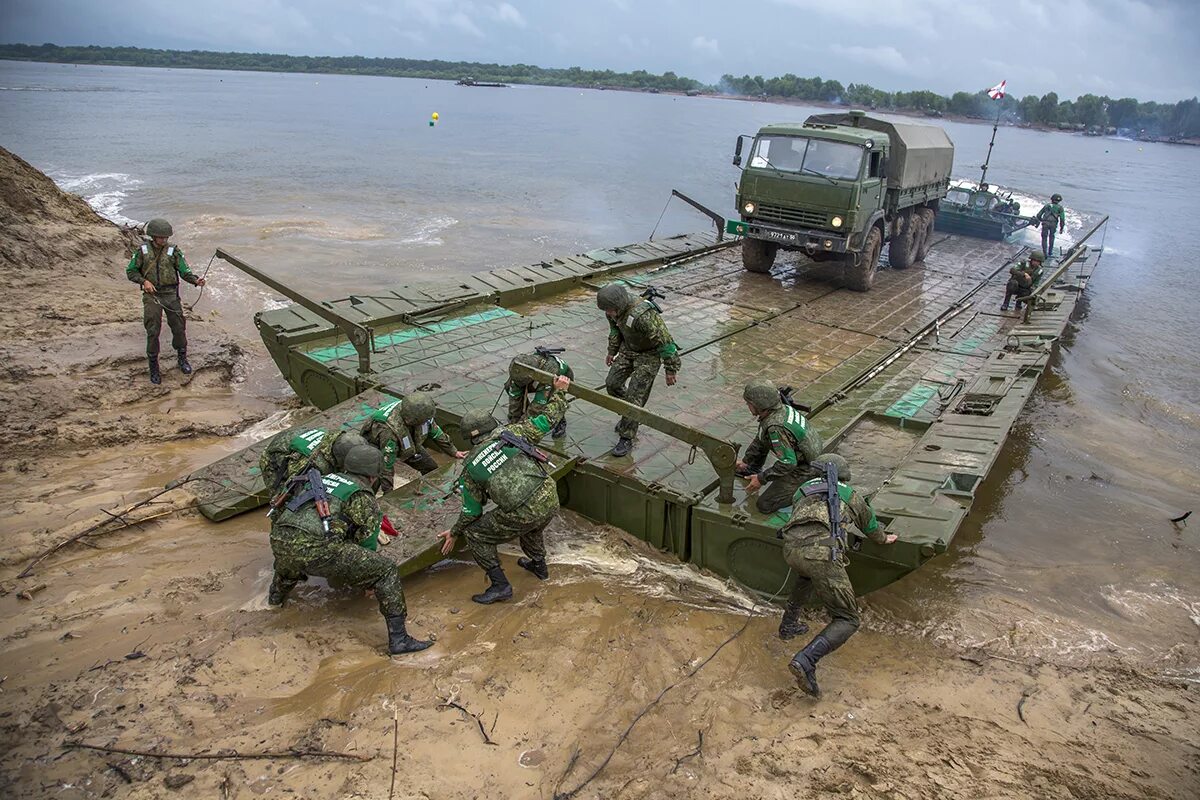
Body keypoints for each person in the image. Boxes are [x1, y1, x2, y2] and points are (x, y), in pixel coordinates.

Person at [267, 444, 432, 655]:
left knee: (289, 559)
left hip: (279, 539)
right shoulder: (361, 495)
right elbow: (368, 541)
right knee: (386, 571)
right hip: (316, 550)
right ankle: (400, 640)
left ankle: (274, 604)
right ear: (374, 475)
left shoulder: (322, 478)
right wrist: (368, 577)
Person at [436, 375, 571, 605]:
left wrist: (455, 531)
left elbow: (472, 512)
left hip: (524, 510)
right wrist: (559, 391)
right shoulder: (513, 433)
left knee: (476, 534)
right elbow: (547, 420)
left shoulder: (469, 469)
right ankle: (539, 567)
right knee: (532, 526)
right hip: (549, 495)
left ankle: (500, 586)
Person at [778, 453, 897, 697]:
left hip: (790, 549)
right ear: (845, 475)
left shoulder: (802, 489)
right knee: (848, 619)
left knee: (806, 575)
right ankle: (806, 660)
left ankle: (788, 625)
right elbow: (871, 528)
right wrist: (885, 539)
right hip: (822, 553)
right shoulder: (852, 496)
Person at [596, 284, 680, 457]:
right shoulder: (613, 312)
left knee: (635, 397)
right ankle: (632, 415)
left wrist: (670, 369)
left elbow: (665, 341)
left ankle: (626, 435)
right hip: (628, 349)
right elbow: (615, 330)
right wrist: (612, 351)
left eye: (610, 310)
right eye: (606, 311)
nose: (608, 314)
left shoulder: (643, 316)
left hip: (648, 355)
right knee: (612, 384)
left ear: (618, 306)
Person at [125, 218, 206, 384]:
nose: (163, 240)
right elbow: (131, 271)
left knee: (178, 326)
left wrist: (195, 280)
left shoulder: (173, 251)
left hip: (170, 293)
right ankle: (154, 366)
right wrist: (144, 281)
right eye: (161, 237)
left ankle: (182, 358)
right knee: (153, 329)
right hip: (152, 294)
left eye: (166, 237)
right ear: (153, 236)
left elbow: (184, 271)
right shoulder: (142, 251)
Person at [737, 380, 823, 514]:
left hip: (806, 468)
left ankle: (806, 492)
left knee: (764, 505)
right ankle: (753, 469)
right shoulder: (779, 410)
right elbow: (761, 438)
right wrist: (746, 461)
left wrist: (762, 478)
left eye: (749, 403)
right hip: (808, 454)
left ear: (759, 405)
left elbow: (789, 463)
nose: (747, 406)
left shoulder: (775, 427)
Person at [362, 392, 466, 491]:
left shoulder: (423, 414)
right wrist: (388, 493)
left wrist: (454, 451)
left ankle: (428, 494)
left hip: (408, 442)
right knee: (375, 477)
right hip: (376, 446)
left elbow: (436, 433)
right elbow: (387, 465)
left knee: (431, 468)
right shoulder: (389, 431)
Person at [505, 349, 574, 438]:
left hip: (560, 381)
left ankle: (560, 420)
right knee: (509, 386)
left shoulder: (550, 371)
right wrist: (514, 422)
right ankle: (521, 416)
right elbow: (514, 395)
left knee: (553, 402)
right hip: (531, 377)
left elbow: (537, 406)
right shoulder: (521, 365)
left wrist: (522, 430)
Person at [1037, 193, 1066, 259]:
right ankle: (1050, 252)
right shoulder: (1060, 208)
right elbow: (1062, 219)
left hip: (1045, 223)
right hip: (1053, 224)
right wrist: (1061, 228)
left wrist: (1042, 220)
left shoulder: (1047, 206)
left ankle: (1045, 253)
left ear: (1052, 199)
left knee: (1044, 238)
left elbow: (1038, 215)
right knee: (1052, 237)